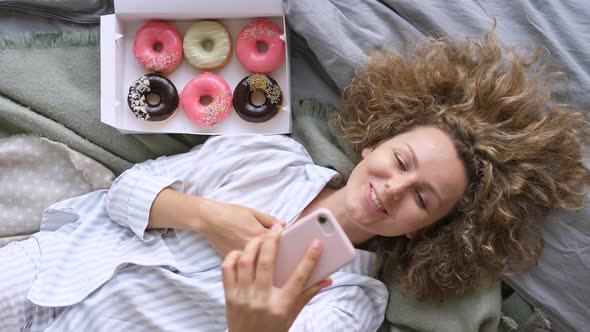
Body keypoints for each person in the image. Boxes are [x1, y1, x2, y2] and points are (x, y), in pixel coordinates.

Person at [2, 31, 588, 331]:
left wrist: (257, 323)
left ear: (421, 232)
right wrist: (207, 217)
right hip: (51, 269)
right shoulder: (265, 156)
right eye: (402, 163)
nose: (395, 189)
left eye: (421, 200)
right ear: (374, 145)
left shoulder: (350, 301)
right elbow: (123, 193)